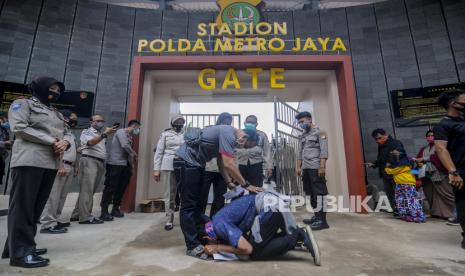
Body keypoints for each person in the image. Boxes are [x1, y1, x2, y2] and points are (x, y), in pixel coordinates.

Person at [1, 76, 73, 268]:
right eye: (52, 88)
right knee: (23, 207)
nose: (55, 92)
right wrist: (53, 141)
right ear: (40, 87)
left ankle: (19, 246)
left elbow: (66, 131)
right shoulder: (22, 104)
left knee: (35, 208)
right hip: (29, 160)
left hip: (50, 162)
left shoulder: (55, 113)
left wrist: (65, 141)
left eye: (58, 90)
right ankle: (21, 253)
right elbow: (19, 127)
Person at [175, 124, 262, 259]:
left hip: (195, 164)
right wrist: (246, 185)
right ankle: (192, 246)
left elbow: (221, 161)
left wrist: (228, 182)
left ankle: (199, 238)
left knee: (197, 205)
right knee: (188, 205)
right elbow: (229, 163)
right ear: (244, 137)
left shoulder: (227, 136)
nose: (242, 148)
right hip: (187, 162)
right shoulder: (228, 133)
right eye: (245, 146)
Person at [202, 192, 320, 265]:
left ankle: (298, 235)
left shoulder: (218, 225)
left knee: (256, 252)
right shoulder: (217, 219)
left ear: (208, 236)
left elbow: (246, 249)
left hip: (271, 209)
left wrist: (217, 247)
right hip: (273, 207)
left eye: (208, 243)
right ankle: (294, 238)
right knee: (255, 241)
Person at [70, 115, 117, 224]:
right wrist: (105, 134)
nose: (101, 122)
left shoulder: (99, 134)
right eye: (98, 121)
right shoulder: (87, 131)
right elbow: (90, 143)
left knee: (88, 190)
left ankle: (77, 214)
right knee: (87, 190)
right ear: (91, 122)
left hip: (99, 162)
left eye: (102, 120)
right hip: (89, 161)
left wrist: (103, 134)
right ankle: (85, 217)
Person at [433, 89, 465, 249]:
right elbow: (440, 149)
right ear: (453, 103)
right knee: (464, 204)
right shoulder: (443, 125)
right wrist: (453, 172)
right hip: (461, 172)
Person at [40, 110, 79, 234]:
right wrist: (60, 165)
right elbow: (56, 148)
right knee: (54, 196)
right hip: (61, 166)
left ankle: (55, 220)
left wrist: (76, 165)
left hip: (70, 166)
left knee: (62, 196)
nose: (75, 121)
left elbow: (73, 152)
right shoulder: (58, 129)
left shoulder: (70, 133)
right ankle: (47, 224)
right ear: (66, 118)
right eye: (73, 118)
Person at [100, 120, 141, 221]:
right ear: (134, 126)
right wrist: (134, 153)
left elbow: (129, 154)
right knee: (110, 188)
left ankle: (115, 209)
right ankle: (104, 212)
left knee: (121, 188)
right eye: (138, 128)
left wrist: (132, 168)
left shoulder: (130, 137)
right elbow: (124, 145)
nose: (138, 131)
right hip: (115, 164)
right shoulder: (121, 132)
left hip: (125, 165)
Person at [295, 111, 329, 230]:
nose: (300, 124)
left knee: (319, 193)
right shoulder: (303, 135)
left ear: (309, 119)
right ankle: (316, 216)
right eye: (299, 122)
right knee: (310, 193)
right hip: (306, 168)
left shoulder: (320, 132)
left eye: (302, 121)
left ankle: (322, 220)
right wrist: (298, 166)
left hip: (316, 167)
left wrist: (322, 166)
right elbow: (300, 152)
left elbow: (324, 150)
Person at [153, 115, 184, 230]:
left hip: (183, 165)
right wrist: (156, 169)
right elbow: (159, 152)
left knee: (185, 193)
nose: (180, 124)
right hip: (169, 165)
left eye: (182, 122)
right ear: (172, 123)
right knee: (170, 194)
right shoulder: (165, 134)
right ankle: (169, 219)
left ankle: (185, 219)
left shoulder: (184, 135)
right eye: (177, 122)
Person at [415, 130, 454, 220]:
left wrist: (424, 159)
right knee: (430, 194)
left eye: (432, 135)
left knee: (445, 193)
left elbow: (438, 157)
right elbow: (417, 159)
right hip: (425, 175)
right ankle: (435, 212)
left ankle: (453, 214)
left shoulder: (442, 146)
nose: (430, 137)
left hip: (439, 174)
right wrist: (419, 163)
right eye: (428, 135)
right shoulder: (424, 149)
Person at [200, 113, 233, 218]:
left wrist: (230, 176)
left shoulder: (229, 134)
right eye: (224, 122)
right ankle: (200, 220)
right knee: (202, 196)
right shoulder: (211, 131)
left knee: (220, 198)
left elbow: (230, 155)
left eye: (229, 123)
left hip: (221, 172)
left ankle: (215, 220)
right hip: (207, 169)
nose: (226, 124)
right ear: (219, 121)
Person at [367, 128, 406, 216]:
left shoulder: (395, 143)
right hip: (385, 174)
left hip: (395, 174)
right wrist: (373, 164)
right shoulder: (381, 146)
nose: (377, 141)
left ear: (385, 135)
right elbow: (381, 160)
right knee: (390, 194)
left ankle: (403, 211)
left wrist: (393, 159)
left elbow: (401, 154)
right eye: (376, 139)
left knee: (398, 193)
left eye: (379, 138)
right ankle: (396, 211)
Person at [385, 150, 426, 223]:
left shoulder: (401, 165)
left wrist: (387, 167)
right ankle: (411, 215)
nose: (395, 155)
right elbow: (413, 172)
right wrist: (417, 168)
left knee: (406, 200)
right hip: (405, 184)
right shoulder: (407, 165)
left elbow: (391, 171)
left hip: (404, 184)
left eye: (396, 153)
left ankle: (416, 216)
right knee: (405, 199)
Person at [235, 115, 273, 187]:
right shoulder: (239, 134)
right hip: (239, 165)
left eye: (252, 122)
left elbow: (267, 151)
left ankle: (254, 198)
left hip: (256, 165)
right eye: (248, 122)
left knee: (256, 188)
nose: (250, 124)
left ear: (256, 124)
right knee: (237, 189)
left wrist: (269, 167)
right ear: (244, 123)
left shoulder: (262, 135)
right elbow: (232, 150)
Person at [0, 112, 12, 187]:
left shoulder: (4, 130)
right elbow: (4, 143)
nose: (6, 122)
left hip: (1, 158)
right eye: (5, 120)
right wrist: (4, 143)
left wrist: (9, 145)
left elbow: (7, 145)